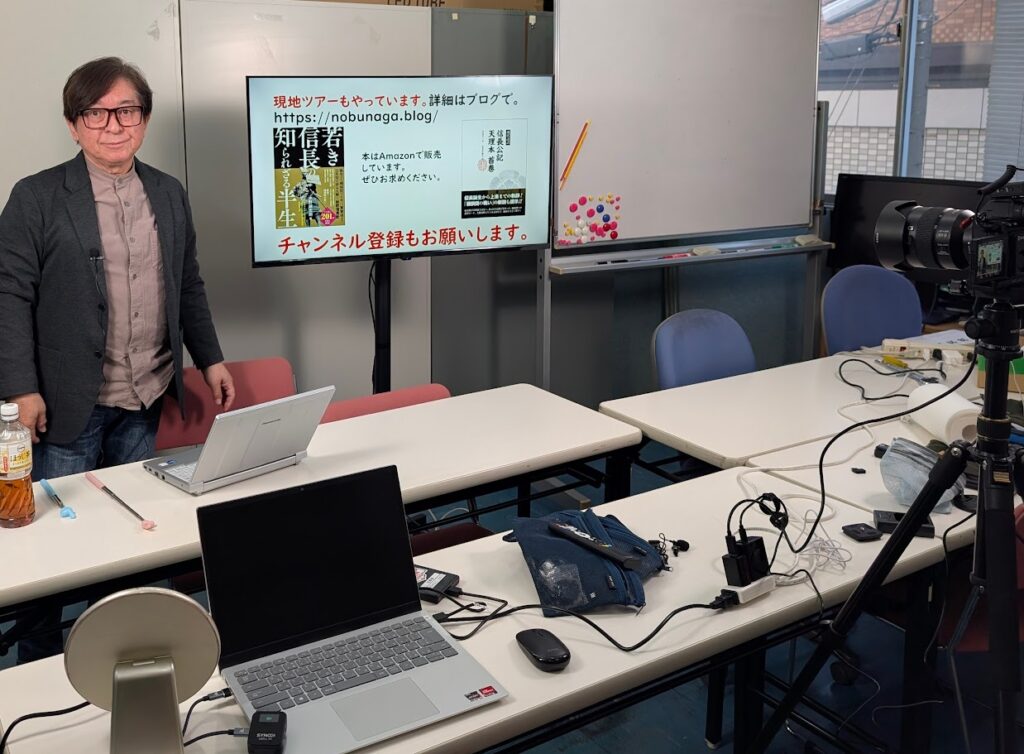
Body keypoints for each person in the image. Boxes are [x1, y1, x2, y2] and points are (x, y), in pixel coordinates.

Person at [0, 57, 235, 662]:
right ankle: (40, 661)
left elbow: (187, 283)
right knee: (50, 546)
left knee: (132, 532)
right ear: (73, 124)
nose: (113, 125)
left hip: (145, 393)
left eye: (126, 111)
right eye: (95, 113)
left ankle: (122, 649)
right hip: (65, 404)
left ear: (144, 119)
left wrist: (210, 358)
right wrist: (21, 387)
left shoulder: (167, 192)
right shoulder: (37, 196)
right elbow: (9, 294)